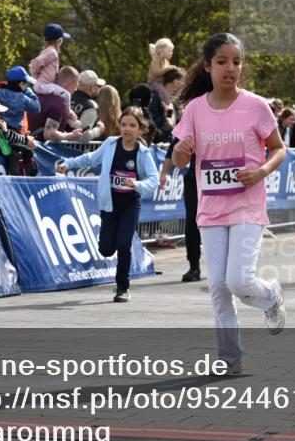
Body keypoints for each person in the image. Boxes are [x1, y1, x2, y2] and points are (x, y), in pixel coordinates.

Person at [171, 32, 288, 372]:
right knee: (219, 287)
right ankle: (229, 359)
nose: (230, 68)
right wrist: (181, 152)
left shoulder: (255, 105)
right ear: (207, 66)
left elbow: (279, 148)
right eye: (222, 61)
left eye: (236, 62)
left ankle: (270, 296)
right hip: (211, 208)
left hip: (247, 206)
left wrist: (261, 170)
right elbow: (180, 159)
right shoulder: (194, 110)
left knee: (239, 281)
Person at [58, 107, 158, 301]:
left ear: (140, 129)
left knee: (124, 245)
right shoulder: (111, 144)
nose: (127, 129)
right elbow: (90, 158)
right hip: (110, 203)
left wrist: (137, 184)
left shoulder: (143, 153)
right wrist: (68, 164)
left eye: (132, 125)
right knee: (106, 249)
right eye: (124, 125)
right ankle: (112, 259)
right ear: (119, 126)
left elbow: (153, 179)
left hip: (130, 204)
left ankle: (122, 288)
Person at [159, 138, 201, 282]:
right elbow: (174, 145)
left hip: (222, 178)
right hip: (194, 179)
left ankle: (228, 265)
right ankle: (194, 266)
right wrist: (164, 172)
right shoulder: (193, 117)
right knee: (192, 222)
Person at [29, 23, 81, 129]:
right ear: (59, 40)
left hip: (43, 84)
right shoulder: (52, 52)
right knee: (66, 94)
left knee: (63, 94)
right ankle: (68, 116)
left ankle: (69, 116)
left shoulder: (48, 51)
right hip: (43, 85)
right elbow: (35, 63)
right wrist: (36, 75)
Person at [26, 66, 83, 142]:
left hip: (27, 146)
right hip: (41, 151)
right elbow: (49, 134)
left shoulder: (36, 94)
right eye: (75, 87)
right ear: (67, 84)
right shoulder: (59, 103)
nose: (75, 90)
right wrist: (71, 135)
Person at [0, 66, 41, 132]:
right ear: (21, 84)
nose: (27, 85)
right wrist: (29, 91)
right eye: (26, 83)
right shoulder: (23, 98)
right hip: (15, 132)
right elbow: (36, 108)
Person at [149, 66, 184, 144]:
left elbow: (170, 120)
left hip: (168, 144)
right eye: (182, 81)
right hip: (158, 146)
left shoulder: (171, 101)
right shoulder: (156, 97)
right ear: (175, 81)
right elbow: (152, 122)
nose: (183, 84)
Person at [73, 70, 105, 139]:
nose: (99, 89)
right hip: (73, 149)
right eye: (97, 86)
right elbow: (83, 136)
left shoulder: (66, 97)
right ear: (91, 88)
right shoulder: (91, 106)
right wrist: (99, 130)